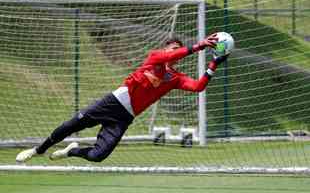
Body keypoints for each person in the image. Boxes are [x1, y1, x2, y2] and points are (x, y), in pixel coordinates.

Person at [16, 33, 228, 163]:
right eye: (173, 49)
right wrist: (197, 46)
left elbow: (198, 87)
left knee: (98, 156)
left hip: (125, 117)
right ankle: (37, 150)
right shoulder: (155, 57)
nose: (174, 52)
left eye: (177, 49)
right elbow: (170, 56)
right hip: (114, 102)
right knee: (71, 124)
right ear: (166, 50)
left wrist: (214, 64)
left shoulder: (175, 78)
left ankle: (72, 151)